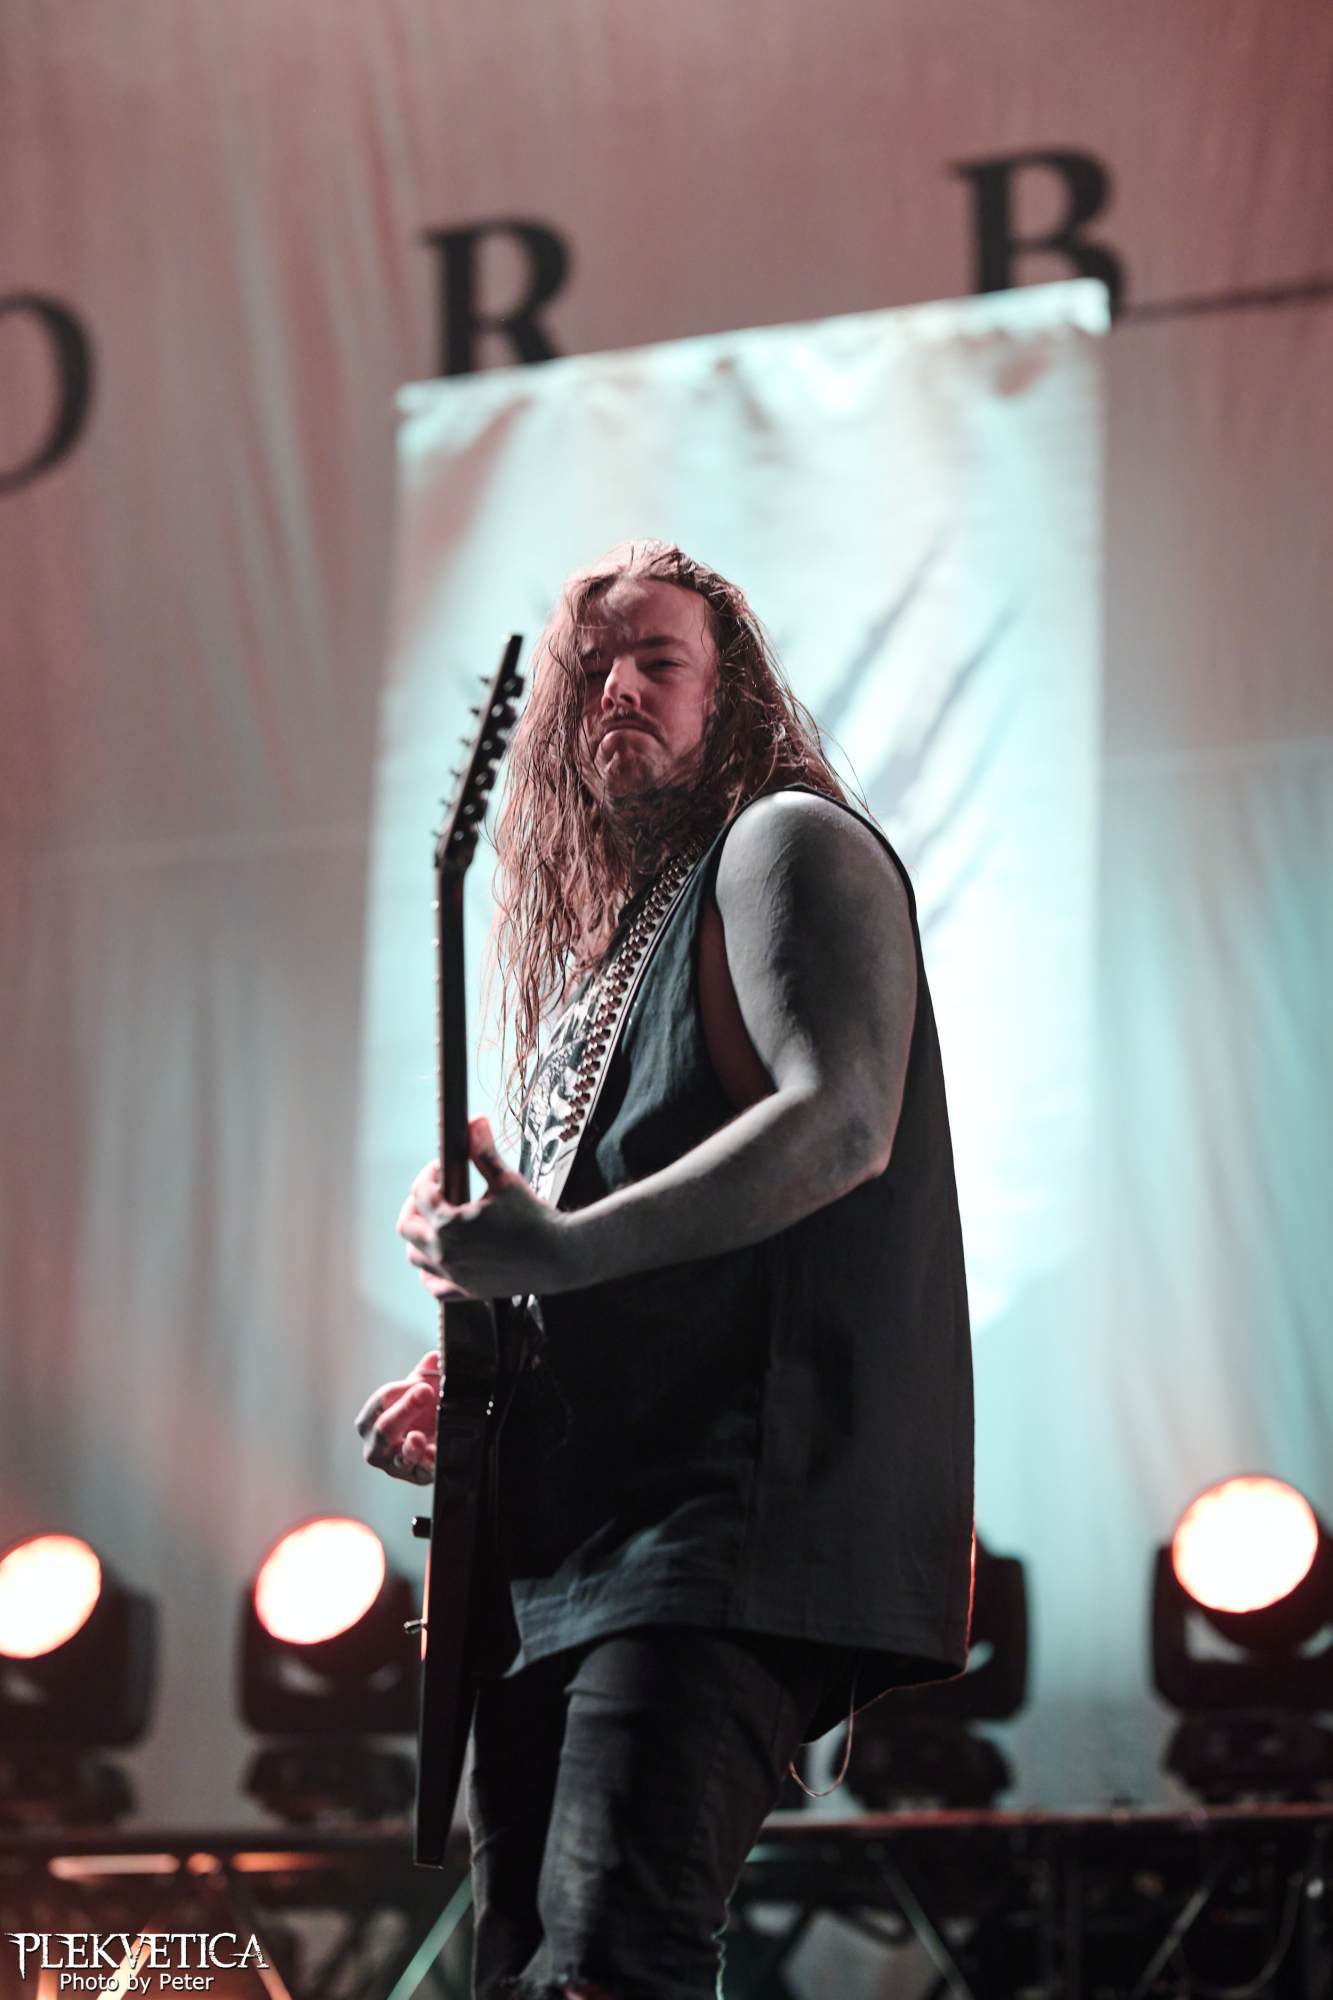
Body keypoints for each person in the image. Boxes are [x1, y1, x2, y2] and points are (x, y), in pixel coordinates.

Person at [356, 542, 974, 2000]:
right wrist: (488, 1376)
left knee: (615, 1955)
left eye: (657, 661)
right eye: (590, 672)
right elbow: (623, 1258)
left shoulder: (785, 842)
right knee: (527, 1971)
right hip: (572, 1539)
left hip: (715, 1520)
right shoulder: (606, 958)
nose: (617, 691)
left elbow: (840, 1122)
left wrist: (564, 1247)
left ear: (729, 693)